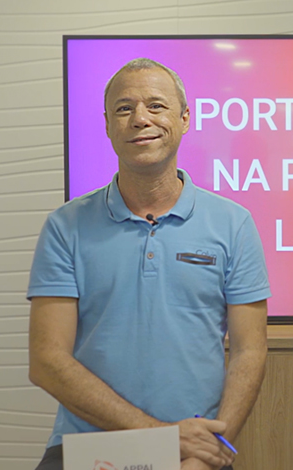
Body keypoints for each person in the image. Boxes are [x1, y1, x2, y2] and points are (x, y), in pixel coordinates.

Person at [27, 58, 270, 470]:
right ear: (108, 125)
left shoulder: (234, 223)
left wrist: (212, 451)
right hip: (90, 448)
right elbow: (47, 362)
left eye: (156, 105)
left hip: (196, 450)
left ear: (185, 118)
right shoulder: (65, 226)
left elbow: (250, 351)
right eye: (124, 108)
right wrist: (161, 437)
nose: (141, 119)